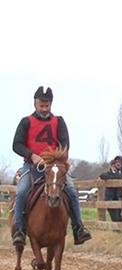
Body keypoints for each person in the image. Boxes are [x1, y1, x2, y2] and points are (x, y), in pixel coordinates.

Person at [11, 86, 92, 247]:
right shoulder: (26, 122)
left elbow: (64, 144)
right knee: (21, 192)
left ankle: (78, 228)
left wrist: (58, 160)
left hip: (55, 166)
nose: (44, 109)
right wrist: (33, 156)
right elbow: (16, 145)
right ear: (35, 104)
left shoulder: (58, 121)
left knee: (71, 191)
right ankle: (19, 229)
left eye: (47, 105)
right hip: (32, 165)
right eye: (41, 105)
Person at [99, 155, 122, 222]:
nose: (118, 163)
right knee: (115, 217)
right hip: (112, 197)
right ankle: (117, 230)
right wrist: (114, 174)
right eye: (116, 162)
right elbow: (102, 176)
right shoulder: (111, 172)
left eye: (119, 162)